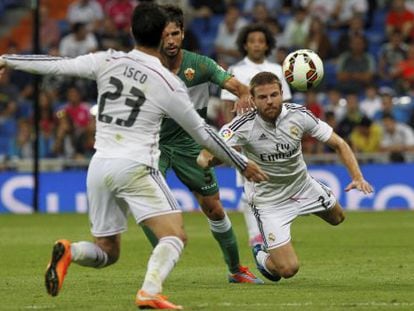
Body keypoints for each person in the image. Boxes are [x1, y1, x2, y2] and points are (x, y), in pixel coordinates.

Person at [0, 3, 268, 309]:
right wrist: (241, 163)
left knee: (107, 252)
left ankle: (71, 251)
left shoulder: (107, 59)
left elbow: (59, 64)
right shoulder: (167, 82)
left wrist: (7, 59)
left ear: (131, 31)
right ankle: (151, 291)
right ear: (160, 36)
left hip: (99, 166)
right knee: (174, 236)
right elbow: (204, 134)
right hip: (137, 165)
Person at [198, 71, 373, 282]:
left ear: (282, 93)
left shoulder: (299, 115)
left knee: (338, 218)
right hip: (269, 202)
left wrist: (357, 177)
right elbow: (206, 157)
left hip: (303, 187)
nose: (269, 101)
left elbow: (339, 144)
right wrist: (234, 160)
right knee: (287, 270)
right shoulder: (241, 125)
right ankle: (261, 254)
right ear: (252, 100)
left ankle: (279, 239)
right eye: (262, 97)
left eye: (274, 95)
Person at [140, 4, 263, 285]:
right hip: (151, 143)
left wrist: (244, 93)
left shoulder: (201, 65)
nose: (170, 41)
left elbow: (236, 85)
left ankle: (235, 270)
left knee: (214, 208)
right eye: (164, 35)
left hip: (189, 143)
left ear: (182, 34)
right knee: (150, 206)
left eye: (174, 33)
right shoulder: (145, 69)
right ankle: (161, 261)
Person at [220, 23, 292, 248]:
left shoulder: (278, 70)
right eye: (252, 41)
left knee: (275, 184)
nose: (257, 45)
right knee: (249, 184)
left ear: (267, 44)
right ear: (245, 44)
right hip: (247, 136)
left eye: (261, 41)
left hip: (274, 135)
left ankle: (274, 233)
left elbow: (285, 105)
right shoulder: (236, 70)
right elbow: (226, 104)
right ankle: (255, 236)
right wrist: (232, 138)